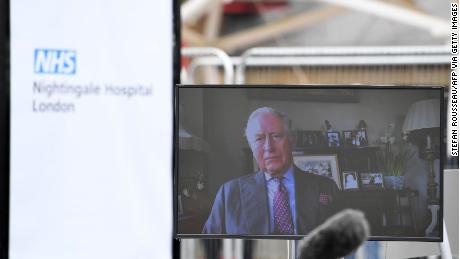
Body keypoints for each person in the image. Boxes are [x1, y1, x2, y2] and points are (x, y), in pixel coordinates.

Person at [202, 107, 340, 235]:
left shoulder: (326, 187)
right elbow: (208, 248)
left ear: (292, 141)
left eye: (276, 136)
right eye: (259, 139)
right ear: (252, 148)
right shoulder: (229, 193)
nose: (268, 147)